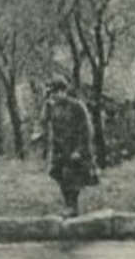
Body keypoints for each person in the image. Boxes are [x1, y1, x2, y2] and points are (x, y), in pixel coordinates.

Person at [40, 78, 98, 218]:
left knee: (71, 176)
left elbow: (86, 130)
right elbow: (43, 122)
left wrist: (79, 150)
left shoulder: (77, 106)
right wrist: (45, 108)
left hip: (75, 147)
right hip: (59, 148)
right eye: (51, 93)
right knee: (58, 174)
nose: (53, 96)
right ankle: (68, 204)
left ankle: (72, 206)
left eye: (56, 93)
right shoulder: (52, 107)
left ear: (63, 91)